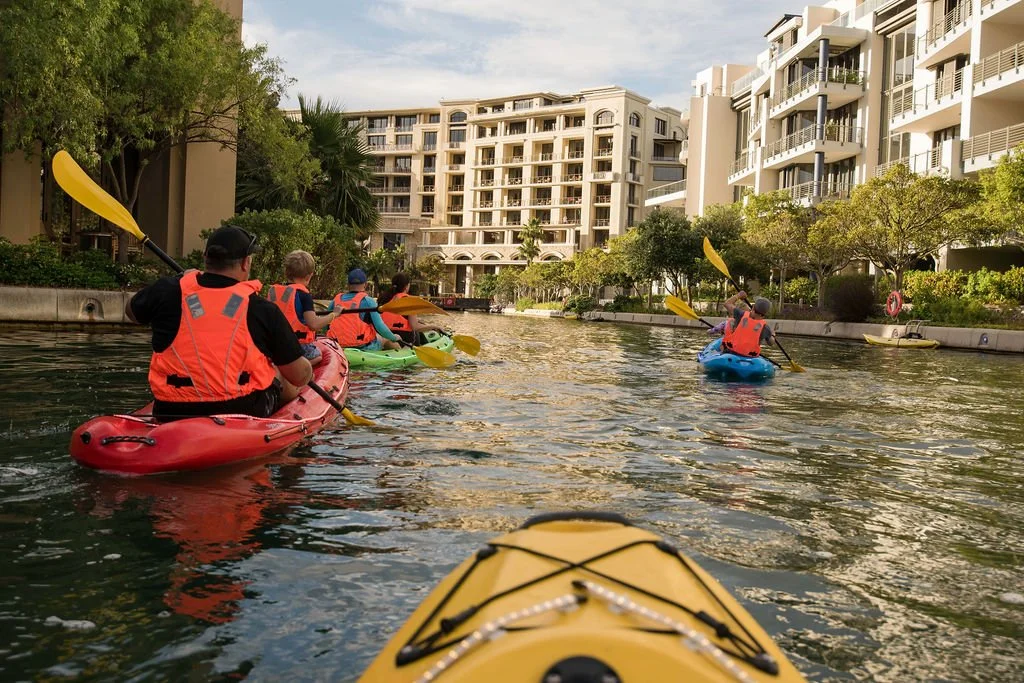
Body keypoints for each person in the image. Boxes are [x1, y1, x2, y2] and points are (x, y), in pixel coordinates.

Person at [126, 225, 313, 421]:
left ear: (205, 259)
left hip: (171, 411)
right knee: (280, 375)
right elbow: (300, 375)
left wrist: (179, 279)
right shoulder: (261, 308)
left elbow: (131, 312)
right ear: (245, 263)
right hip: (242, 409)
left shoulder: (168, 290)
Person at [267, 250, 338, 366]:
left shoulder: (274, 292)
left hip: (275, 346)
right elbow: (313, 324)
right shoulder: (304, 296)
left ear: (286, 272)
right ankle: (300, 367)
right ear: (308, 276)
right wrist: (333, 315)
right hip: (298, 347)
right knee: (318, 355)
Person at [326, 268, 402, 351]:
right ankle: (402, 356)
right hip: (364, 347)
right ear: (365, 284)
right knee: (385, 338)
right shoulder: (368, 301)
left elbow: (326, 324)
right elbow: (380, 327)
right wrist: (394, 337)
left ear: (348, 284)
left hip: (337, 346)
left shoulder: (336, 300)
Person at [379, 272, 444, 344]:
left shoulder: (383, 298)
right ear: (407, 286)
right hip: (404, 339)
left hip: (385, 335)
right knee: (417, 332)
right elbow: (415, 327)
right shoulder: (409, 301)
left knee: (419, 324)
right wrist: (434, 326)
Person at [721, 291, 775, 357]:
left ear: (753, 307)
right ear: (765, 314)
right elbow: (771, 343)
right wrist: (772, 334)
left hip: (732, 352)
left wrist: (739, 295)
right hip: (749, 357)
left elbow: (727, 304)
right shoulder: (765, 328)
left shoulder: (741, 314)